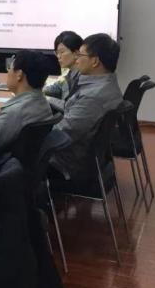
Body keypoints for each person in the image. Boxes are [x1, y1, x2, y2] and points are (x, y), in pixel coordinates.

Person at [50, 33, 123, 179]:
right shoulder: (107, 84)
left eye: (80, 55)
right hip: (89, 157)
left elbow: (62, 132)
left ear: (95, 61)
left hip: (66, 164)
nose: (76, 59)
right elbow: (73, 113)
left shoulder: (93, 97)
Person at [0, 50, 58, 153]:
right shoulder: (41, 101)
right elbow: (2, 124)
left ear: (19, 74)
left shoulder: (15, 112)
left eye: (9, 68)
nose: (8, 72)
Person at [43, 31, 83, 100]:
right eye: (57, 53)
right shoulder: (70, 73)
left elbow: (69, 104)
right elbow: (58, 87)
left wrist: (46, 100)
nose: (58, 56)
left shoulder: (82, 77)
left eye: (62, 52)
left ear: (76, 53)